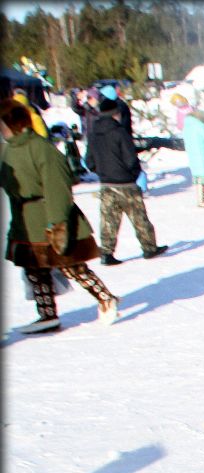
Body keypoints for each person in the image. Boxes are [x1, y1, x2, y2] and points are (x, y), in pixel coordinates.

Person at [1, 98, 120, 332]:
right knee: (34, 268)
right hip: (25, 220)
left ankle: (106, 298)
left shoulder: (40, 148)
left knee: (71, 265)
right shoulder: (6, 150)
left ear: (13, 122)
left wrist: (58, 223)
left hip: (49, 213)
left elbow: (56, 187)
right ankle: (47, 314)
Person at [84, 96, 166, 265]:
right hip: (126, 183)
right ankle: (149, 247)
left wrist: (101, 172)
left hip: (106, 184)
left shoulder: (93, 134)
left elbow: (89, 162)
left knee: (108, 220)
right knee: (139, 217)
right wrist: (134, 174)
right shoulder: (120, 132)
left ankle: (106, 253)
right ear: (115, 114)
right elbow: (130, 159)